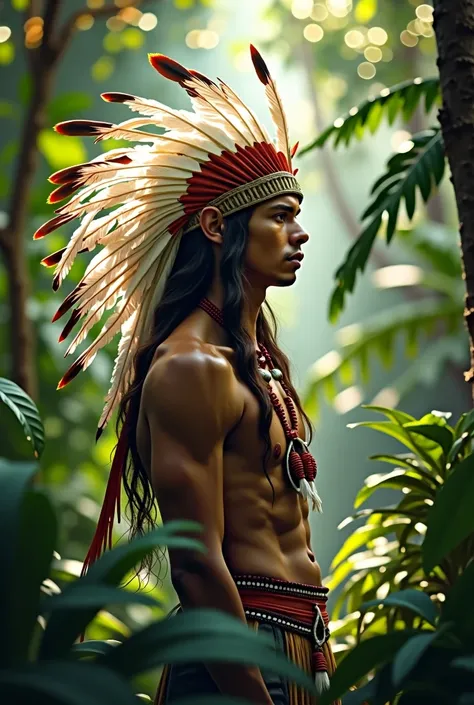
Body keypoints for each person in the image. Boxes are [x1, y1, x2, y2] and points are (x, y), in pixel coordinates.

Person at [38, 45, 340, 705]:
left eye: (297, 214)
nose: (300, 234)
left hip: (296, 643)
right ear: (214, 225)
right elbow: (199, 565)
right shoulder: (190, 367)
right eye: (279, 216)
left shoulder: (254, 353)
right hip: (236, 661)